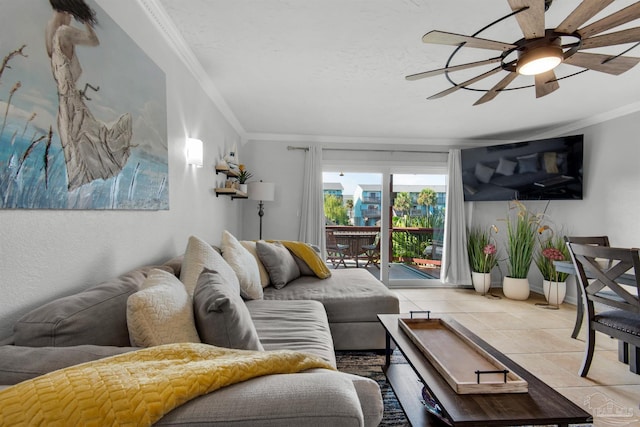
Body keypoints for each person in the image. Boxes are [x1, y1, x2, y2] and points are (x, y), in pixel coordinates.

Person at [46, 0, 133, 191]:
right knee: (95, 147)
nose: (71, 19)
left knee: (79, 158)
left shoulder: (49, 33)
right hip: (73, 105)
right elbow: (94, 40)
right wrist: (85, 19)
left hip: (64, 109)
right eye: (71, 15)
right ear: (68, 11)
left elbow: (64, 71)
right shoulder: (63, 32)